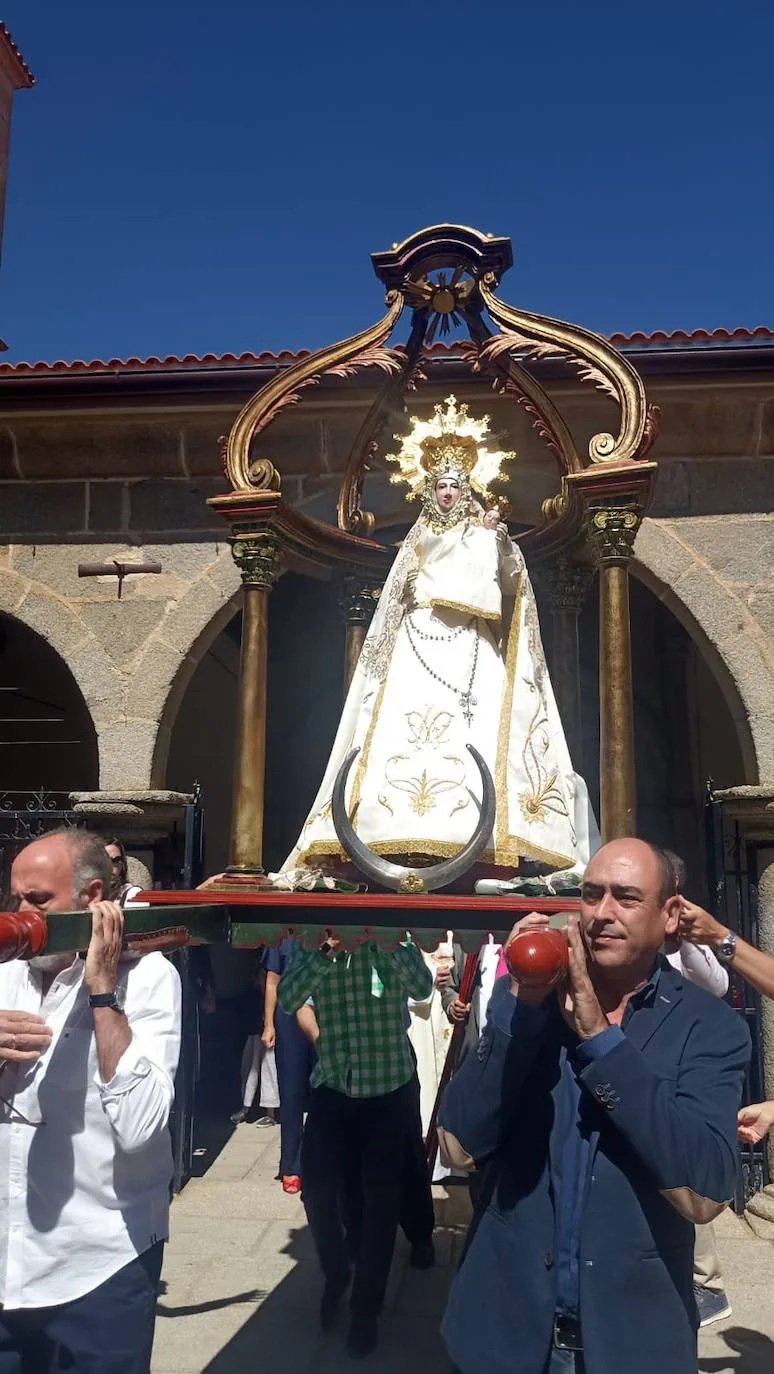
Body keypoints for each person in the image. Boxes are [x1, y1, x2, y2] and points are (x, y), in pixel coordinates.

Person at [438, 838, 750, 1374]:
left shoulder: (710, 1027)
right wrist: (518, 1008)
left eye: (626, 898)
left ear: (670, 915)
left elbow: (704, 1191)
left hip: (630, 1341)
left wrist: (601, 1042)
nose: (602, 913)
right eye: (590, 895)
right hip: (503, 1332)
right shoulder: (529, 1007)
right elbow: (458, 1146)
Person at [278, 396, 596, 880]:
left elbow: (512, 586)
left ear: (467, 488)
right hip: (417, 642)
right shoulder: (417, 539)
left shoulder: (489, 536)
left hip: (471, 647)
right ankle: (385, 830)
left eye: (455, 485)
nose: (447, 492)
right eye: (440, 485)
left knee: (485, 731)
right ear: (430, 488)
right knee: (395, 729)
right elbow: (395, 600)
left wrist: (501, 540)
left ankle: (489, 834)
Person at [0, 828, 181, 1373]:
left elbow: (141, 1125)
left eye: (38, 901)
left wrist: (103, 990)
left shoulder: (149, 980)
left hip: (102, 1264)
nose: (20, 913)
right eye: (14, 898)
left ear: (92, 899)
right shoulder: (5, 974)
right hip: (10, 1258)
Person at [278, 933, 433, 1358]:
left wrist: (387, 945)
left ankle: (366, 1308)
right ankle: (335, 1273)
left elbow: (423, 987)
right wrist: (328, 950)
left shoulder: (392, 940)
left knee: (381, 1205)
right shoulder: (317, 944)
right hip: (333, 1087)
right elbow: (289, 999)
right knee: (317, 1192)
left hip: (387, 1089)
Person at [662, 851, 731, 1326]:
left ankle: (707, 1284)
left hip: (683, 1067)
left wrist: (686, 940)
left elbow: (719, 984)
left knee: (686, 1179)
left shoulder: (687, 942)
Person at [262, 937, 317, 1193]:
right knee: (291, 1093)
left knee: (323, 1092)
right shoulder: (281, 936)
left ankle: (318, 1158)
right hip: (288, 1016)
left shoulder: (328, 931)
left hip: (322, 1014)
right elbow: (272, 981)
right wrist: (269, 1024)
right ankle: (291, 1166)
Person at [104, 837, 142, 905]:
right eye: (104, 861)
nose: (111, 869)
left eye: (116, 861)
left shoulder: (131, 895)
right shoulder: (85, 895)